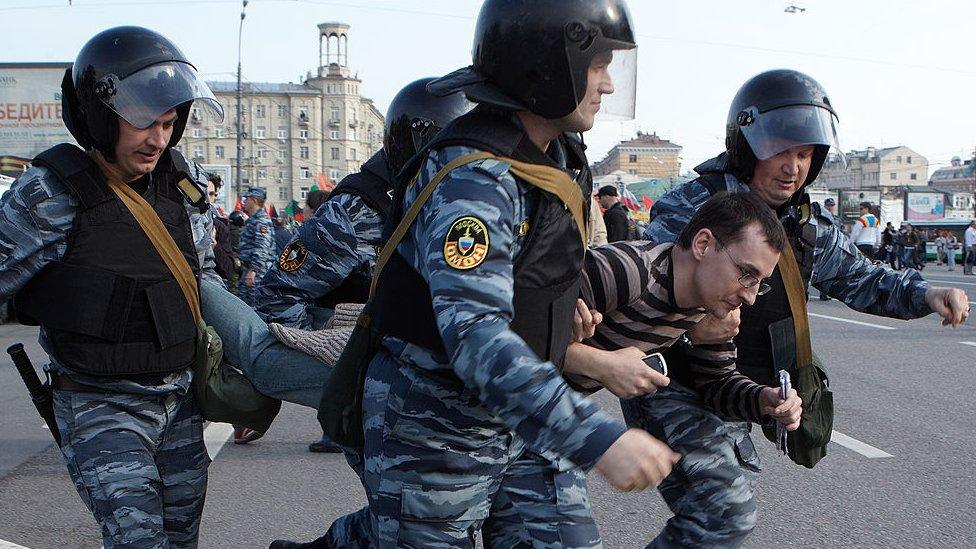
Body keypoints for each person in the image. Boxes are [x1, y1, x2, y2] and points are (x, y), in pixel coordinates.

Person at [326, 1, 671, 546]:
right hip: (437, 428)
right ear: (545, 66)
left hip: (523, 417)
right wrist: (596, 437)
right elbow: (475, 335)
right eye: (597, 64)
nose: (606, 84)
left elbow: (534, 272)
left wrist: (558, 312)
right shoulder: (476, 178)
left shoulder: (555, 155)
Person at [643, 68, 969, 547]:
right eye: (780, 150)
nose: (792, 167)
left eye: (804, 154)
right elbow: (640, 294)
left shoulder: (805, 223)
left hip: (734, 390)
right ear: (746, 144)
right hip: (674, 382)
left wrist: (925, 294)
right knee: (724, 509)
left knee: (723, 515)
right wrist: (692, 329)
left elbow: (861, 278)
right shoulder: (691, 208)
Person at [0, 26, 223, 548]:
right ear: (100, 117)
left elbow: (205, 276)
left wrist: (244, 370)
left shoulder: (180, 180)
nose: (158, 140)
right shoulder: (50, 192)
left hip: (180, 402)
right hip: (101, 405)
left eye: (169, 124)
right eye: (144, 123)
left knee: (179, 539)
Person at [253, 78, 473, 454]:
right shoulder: (359, 209)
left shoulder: (444, 201)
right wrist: (335, 371)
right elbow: (279, 294)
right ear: (422, 145)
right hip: (382, 390)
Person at [237, 186, 275, 306]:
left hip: (257, 273)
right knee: (243, 303)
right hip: (249, 269)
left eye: (247, 199)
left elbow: (262, 247)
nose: (245, 202)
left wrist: (253, 270)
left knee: (254, 306)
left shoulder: (261, 221)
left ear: (253, 200)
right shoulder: (254, 220)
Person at [209, 173, 235, 283]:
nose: (207, 198)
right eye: (202, 193)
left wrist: (215, 246)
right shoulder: (178, 221)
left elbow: (228, 270)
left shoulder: (219, 227)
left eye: (211, 194)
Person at [818, 197, 842, 300]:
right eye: (829, 205)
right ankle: (822, 293)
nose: (831, 207)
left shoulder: (836, 219)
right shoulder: (820, 217)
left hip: (834, 246)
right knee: (821, 269)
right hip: (823, 245)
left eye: (832, 205)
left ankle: (825, 292)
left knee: (830, 270)